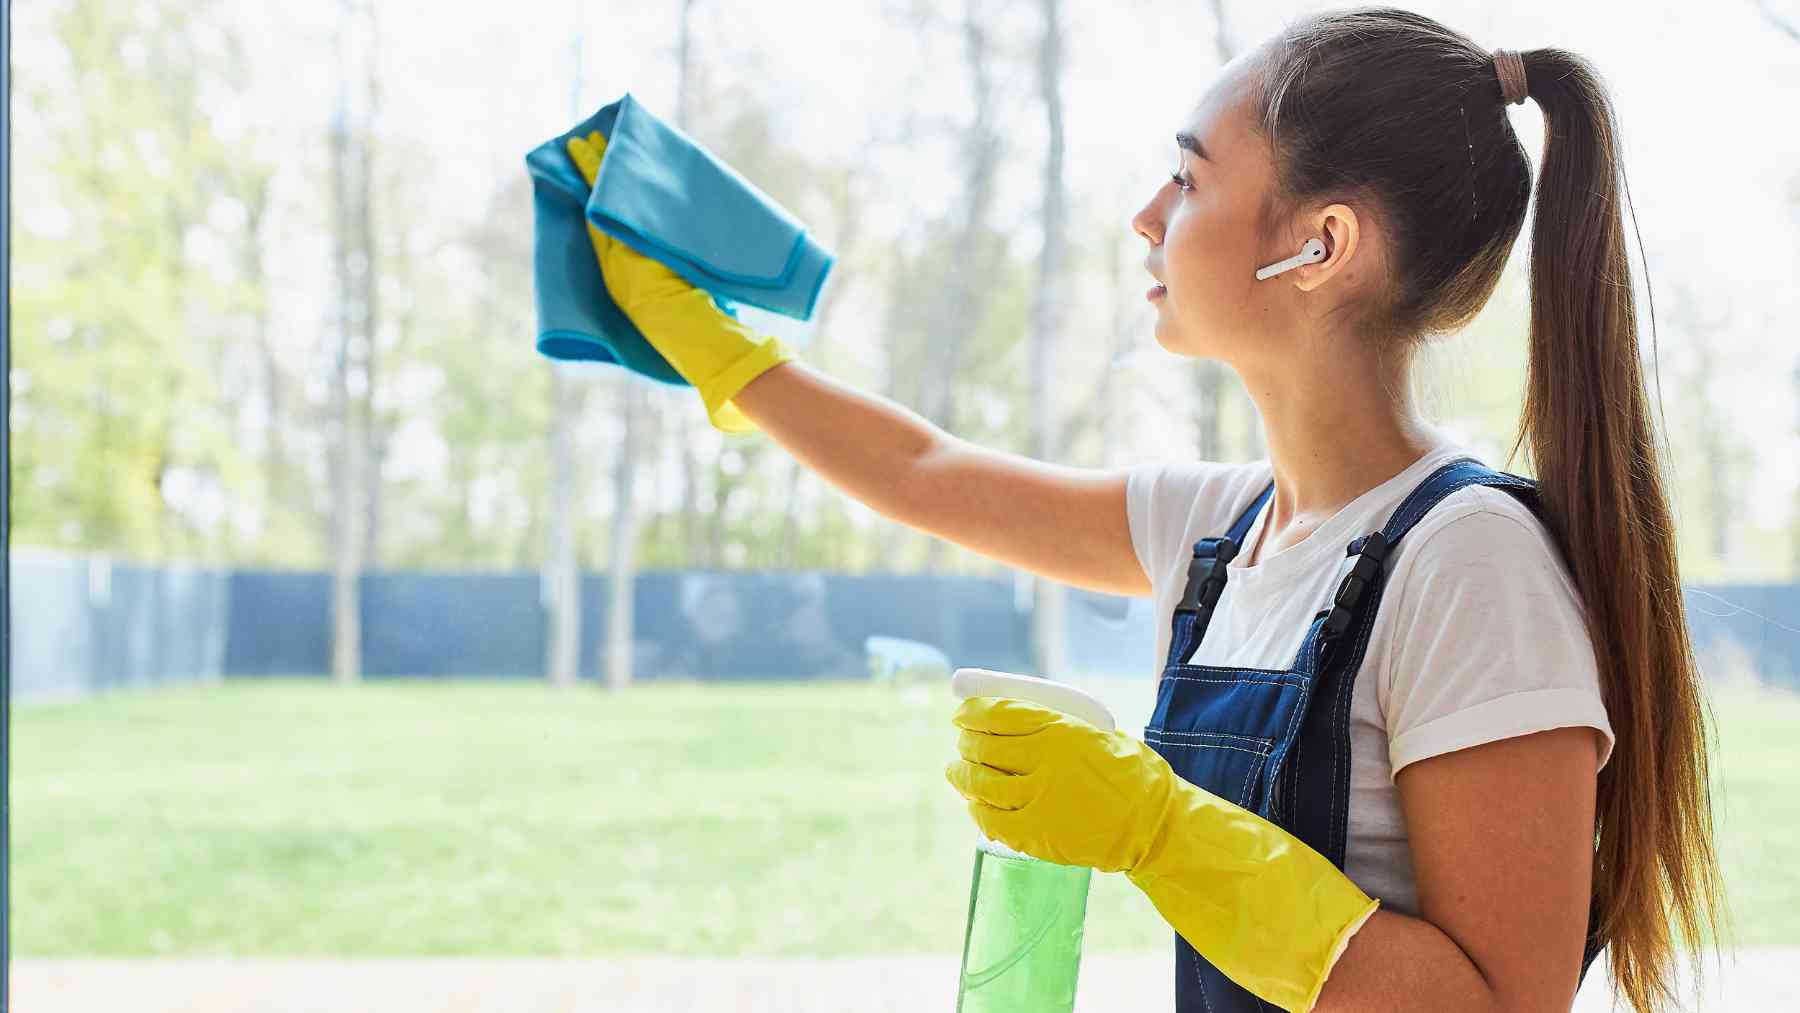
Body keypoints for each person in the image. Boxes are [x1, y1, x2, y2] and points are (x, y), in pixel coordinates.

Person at [559, 7, 1727, 1010]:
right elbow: (924, 474)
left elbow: (1499, 1004)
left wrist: (1160, 830)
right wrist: (718, 352)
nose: (1146, 213)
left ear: (1320, 245)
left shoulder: (1468, 564)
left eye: (1191, 177)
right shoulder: (1224, 534)